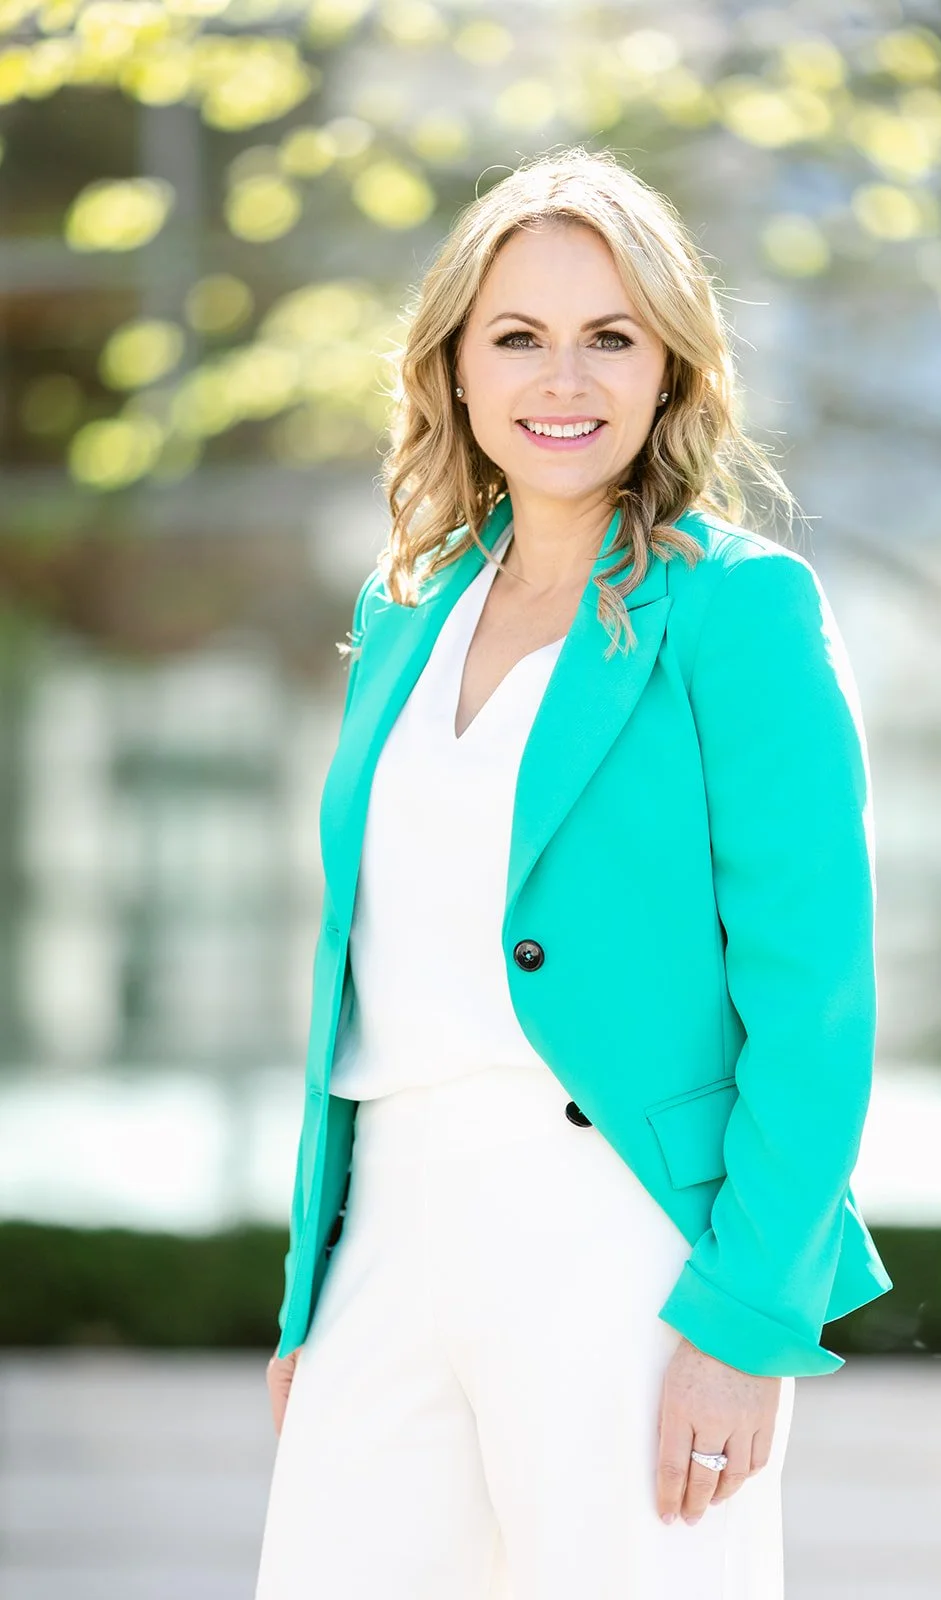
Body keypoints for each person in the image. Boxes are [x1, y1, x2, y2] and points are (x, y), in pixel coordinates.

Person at [254, 146, 893, 1600]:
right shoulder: (405, 610)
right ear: (456, 370)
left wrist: (741, 1323)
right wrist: (314, 1302)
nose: (565, 378)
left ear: (668, 367)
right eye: (518, 337)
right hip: (390, 1239)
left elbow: (815, 998)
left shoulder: (739, 608)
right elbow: (369, 960)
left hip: (623, 1242)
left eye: (610, 336)